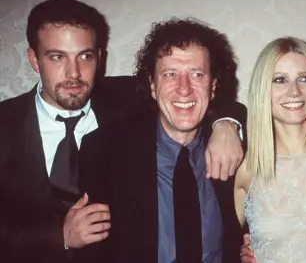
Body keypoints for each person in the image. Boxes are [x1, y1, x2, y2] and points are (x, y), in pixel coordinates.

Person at [0, 0, 245, 263]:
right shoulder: (5, 125)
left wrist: (227, 124)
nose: (73, 73)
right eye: (57, 57)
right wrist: (58, 235)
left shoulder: (127, 96)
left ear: (99, 57)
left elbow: (195, 95)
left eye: (85, 56)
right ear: (34, 60)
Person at [76, 18, 245, 263]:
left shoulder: (240, 151)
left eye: (197, 74)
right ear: (153, 86)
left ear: (213, 86)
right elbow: (91, 250)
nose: (184, 89)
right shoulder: (104, 150)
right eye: (170, 74)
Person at [235, 37, 306, 263]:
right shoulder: (245, 168)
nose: (294, 91)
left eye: (304, 79)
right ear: (262, 90)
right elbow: (212, 246)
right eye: (279, 80)